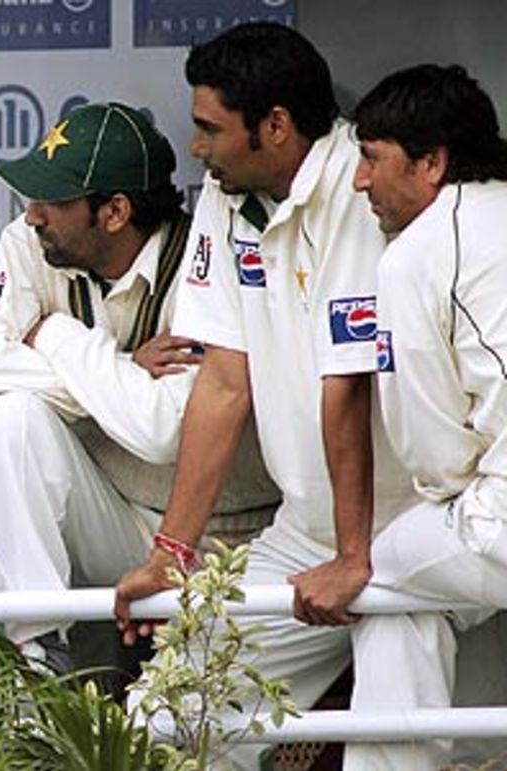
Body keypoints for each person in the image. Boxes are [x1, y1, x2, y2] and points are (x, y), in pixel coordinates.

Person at [110, 23, 418, 771]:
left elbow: (345, 386)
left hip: (414, 532)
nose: (196, 147)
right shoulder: (228, 193)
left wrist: (356, 554)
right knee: (162, 720)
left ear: (275, 126)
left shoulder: (361, 184)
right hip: (305, 532)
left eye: (211, 128)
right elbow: (222, 380)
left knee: (415, 747)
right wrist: (171, 553)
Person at [0, 102, 279, 660]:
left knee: (190, 728)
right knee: (5, 419)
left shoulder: (200, 258)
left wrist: (54, 335)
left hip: (228, 540)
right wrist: (120, 372)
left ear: (116, 211)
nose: (33, 215)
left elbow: (159, 430)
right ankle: (38, 653)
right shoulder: (32, 245)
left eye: (54, 200)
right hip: (114, 517)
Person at [350, 63, 507, 769]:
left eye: (372, 159)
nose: (359, 182)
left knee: (383, 572)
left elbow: (433, 453)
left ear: (432, 163)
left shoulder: (415, 252)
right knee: (418, 586)